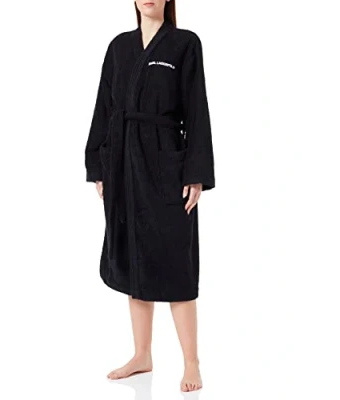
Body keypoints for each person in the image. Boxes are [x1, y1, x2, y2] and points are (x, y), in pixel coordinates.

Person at [84, 0, 215, 393]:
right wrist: (98, 165)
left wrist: (195, 173)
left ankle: (191, 362)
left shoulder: (185, 44)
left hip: (166, 165)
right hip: (123, 163)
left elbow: (197, 109)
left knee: (176, 260)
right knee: (133, 257)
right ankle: (142, 354)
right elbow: (104, 106)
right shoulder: (118, 47)